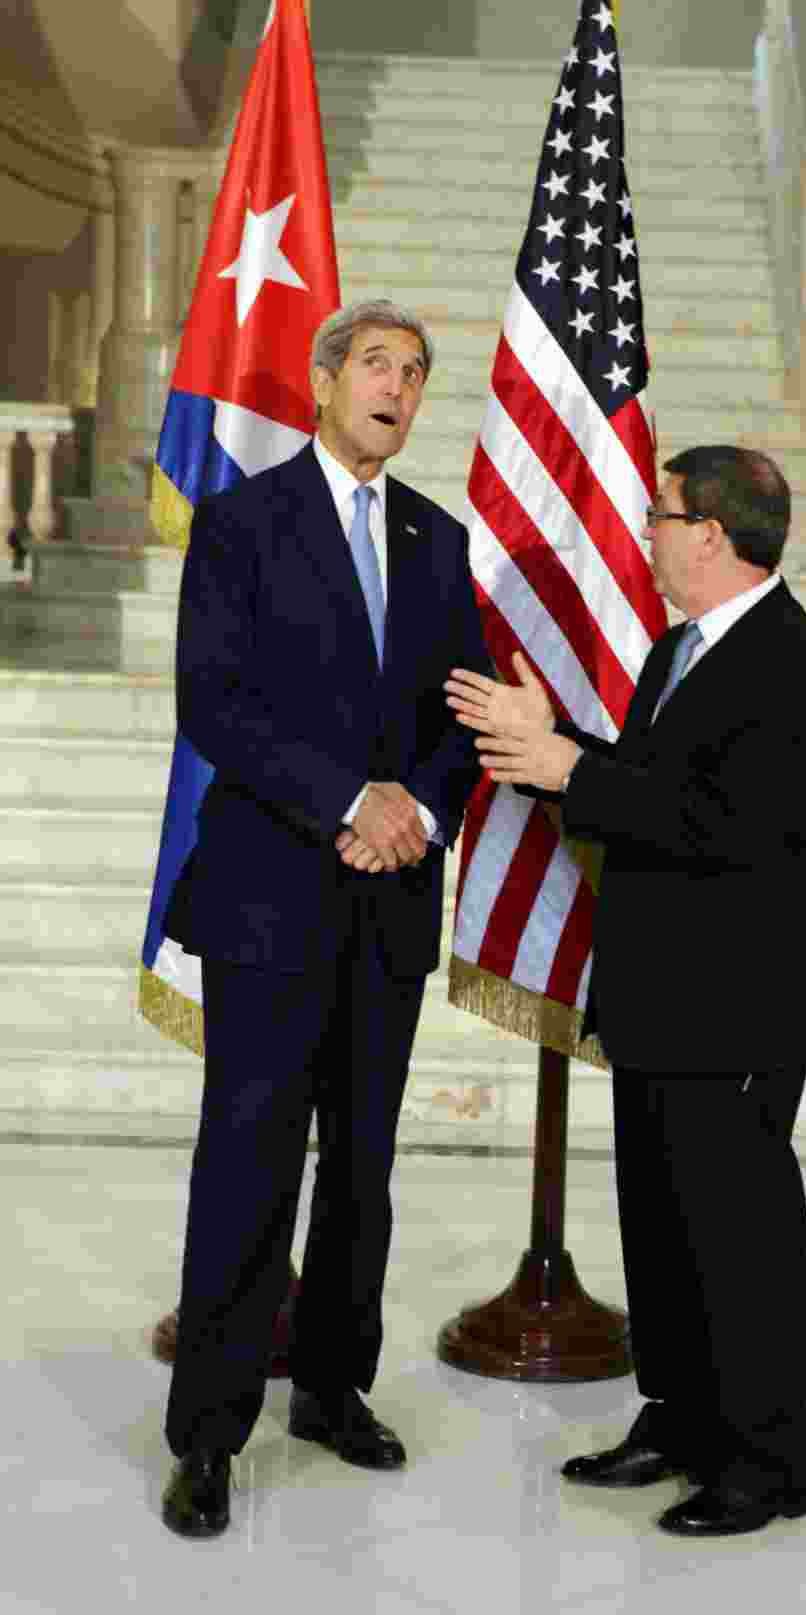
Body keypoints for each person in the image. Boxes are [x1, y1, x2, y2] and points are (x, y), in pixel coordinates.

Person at [445, 445, 806, 1538]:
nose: (646, 535)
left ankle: (766, 1461)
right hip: (656, 994)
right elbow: (648, 786)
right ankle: (680, 1420)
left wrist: (568, 768)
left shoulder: (796, 665)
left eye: (660, 516)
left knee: (739, 1245)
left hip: (737, 1008)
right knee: (665, 1234)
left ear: (711, 534)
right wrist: (555, 746)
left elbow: (724, 828)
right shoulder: (682, 648)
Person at [160, 298, 491, 1538]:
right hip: (269, 898)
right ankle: (208, 1433)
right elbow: (215, 702)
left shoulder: (437, 538)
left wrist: (419, 812)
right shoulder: (243, 522)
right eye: (375, 364)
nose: (396, 387)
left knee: (362, 1164)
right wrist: (353, 800)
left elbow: (460, 712)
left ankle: (332, 1387)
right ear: (322, 379)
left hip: (389, 898)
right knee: (248, 1160)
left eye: (415, 372)